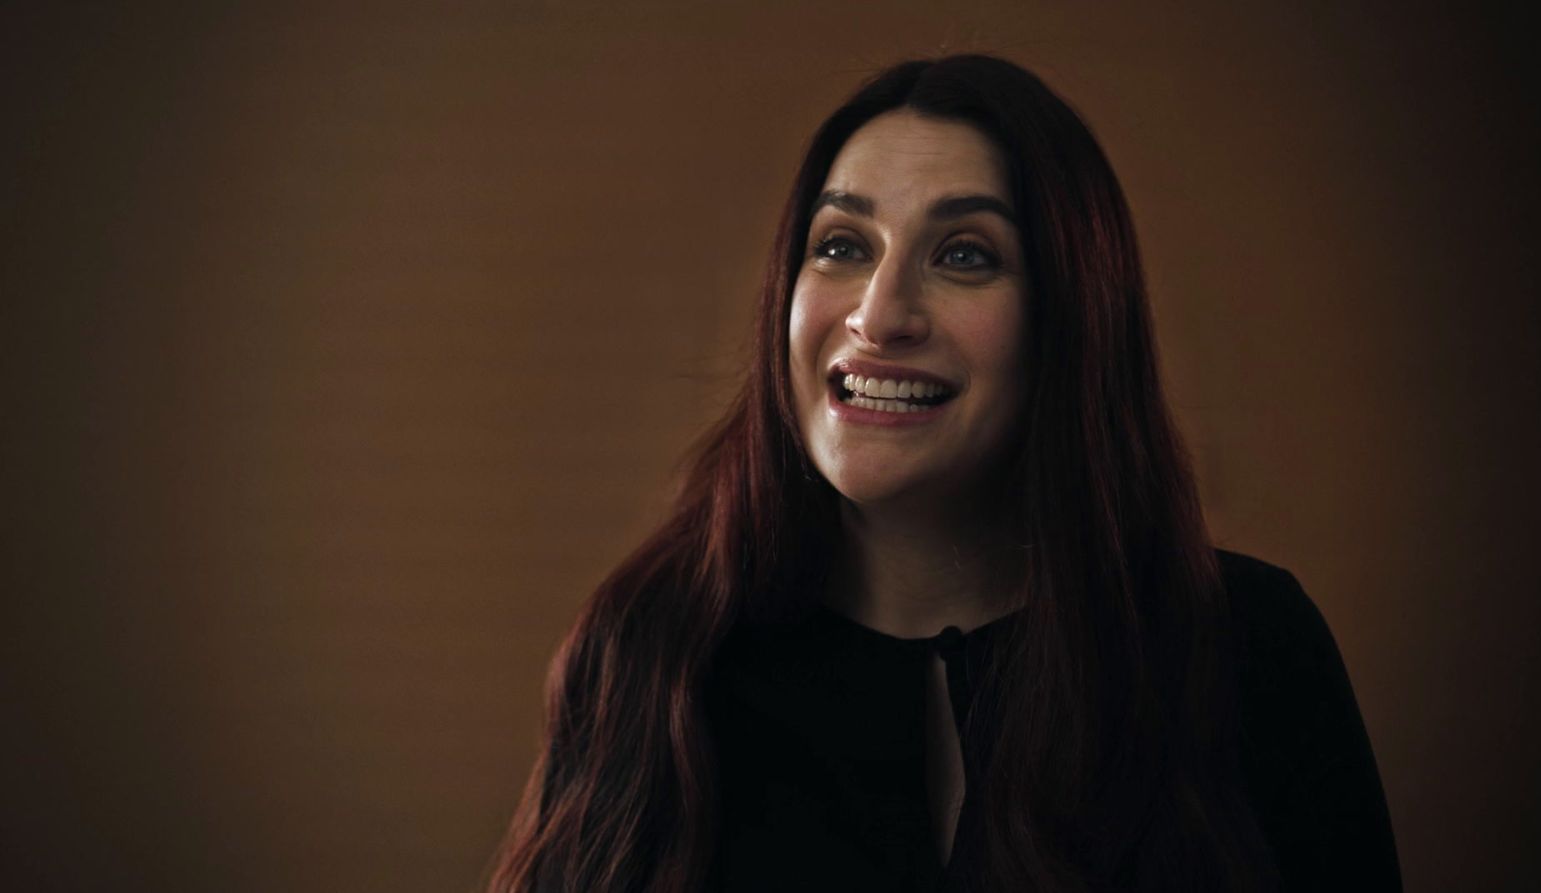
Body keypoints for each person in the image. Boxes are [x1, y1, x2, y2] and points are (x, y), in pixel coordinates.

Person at [489, 54, 1400, 892]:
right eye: (842, 245)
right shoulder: (649, 655)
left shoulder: (1249, 651)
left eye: (964, 255)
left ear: (1071, 322)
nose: (880, 316)